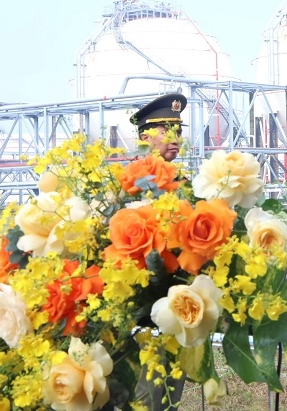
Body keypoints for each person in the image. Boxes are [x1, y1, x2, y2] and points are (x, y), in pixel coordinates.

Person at [127, 92, 189, 410]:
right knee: (143, 397)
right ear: (144, 136)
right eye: (166, 130)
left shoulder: (184, 184)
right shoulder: (130, 184)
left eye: (178, 130)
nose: (175, 138)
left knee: (168, 396)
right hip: (137, 316)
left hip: (175, 309)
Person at [130, 92, 187, 162]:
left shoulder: (177, 172)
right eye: (166, 133)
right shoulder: (136, 172)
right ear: (145, 138)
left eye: (178, 132)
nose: (175, 141)